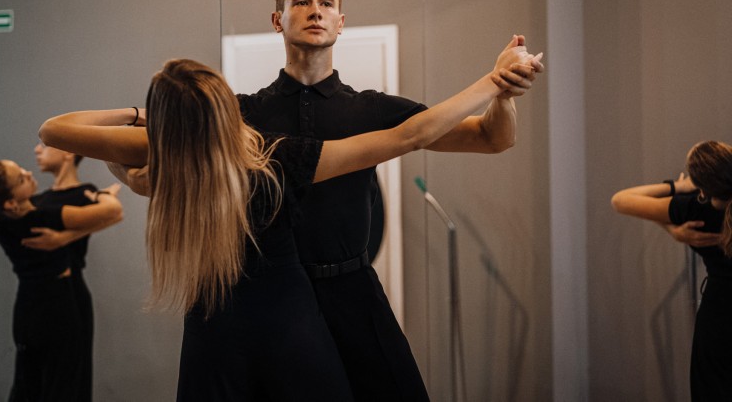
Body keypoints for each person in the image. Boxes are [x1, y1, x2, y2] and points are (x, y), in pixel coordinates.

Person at [37, 47, 539, 400]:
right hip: (287, 321)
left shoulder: (170, 157)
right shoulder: (278, 159)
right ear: (225, 109)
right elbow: (410, 136)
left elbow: (55, 129)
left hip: (215, 325)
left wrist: (141, 114)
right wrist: (493, 81)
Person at [233, 0, 544, 400]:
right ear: (277, 19)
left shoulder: (371, 109)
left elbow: (493, 138)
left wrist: (505, 94)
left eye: (326, 3)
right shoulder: (244, 113)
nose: (315, 11)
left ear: (341, 22)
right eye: (301, 2)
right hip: (273, 295)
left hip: (352, 293)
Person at [0, 142, 123, 402]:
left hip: (29, 307)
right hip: (59, 306)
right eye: (21, 177)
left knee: (28, 385)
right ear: (11, 201)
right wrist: (103, 195)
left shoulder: (5, 214)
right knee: (62, 385)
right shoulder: (43, 212)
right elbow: (114, 211)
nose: (30, 166)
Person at [611, 140, 732, 401]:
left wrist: (677, 189)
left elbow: (620, 200)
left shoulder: (695, 210)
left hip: (718, 317)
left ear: (702, 188)